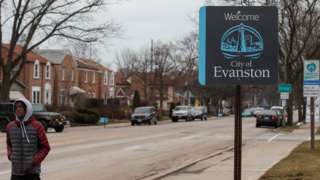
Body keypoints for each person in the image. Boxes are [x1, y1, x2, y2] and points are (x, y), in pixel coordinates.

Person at [6, 98, 51, 180]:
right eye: (16, 107)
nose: (18, 109)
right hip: (16, 172)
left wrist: (35, 160)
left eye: (21, 107)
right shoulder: (10, 126)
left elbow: (45, 147)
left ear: (27, 109)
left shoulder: (37, 126)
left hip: (32, 172)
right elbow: (9, 144)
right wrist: (10, 155)